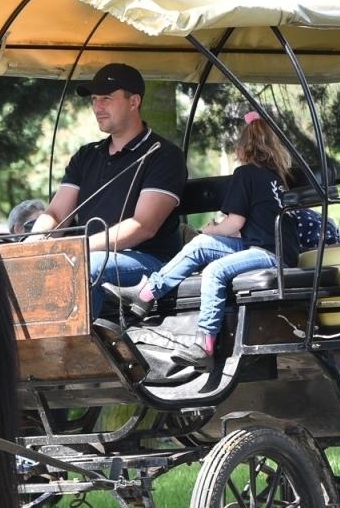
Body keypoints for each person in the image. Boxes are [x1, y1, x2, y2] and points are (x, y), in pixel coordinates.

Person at [102, 112, 298, 369]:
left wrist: (211, 229)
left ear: (241, 149)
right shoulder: (275, 177)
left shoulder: (246, 174)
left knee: (215, 269)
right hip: (271, 247)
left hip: (269, 253)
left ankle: (204, 344)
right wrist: (209, 236)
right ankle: (147, 293)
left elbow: (234, 224)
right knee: (199, 246)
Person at [26, 63, 187, 316]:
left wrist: (78, 248)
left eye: (107, 99)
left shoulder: (163, 155)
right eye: (94, 99)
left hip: (150, 262)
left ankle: (74, 353)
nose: (97, 107)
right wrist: (32, 245)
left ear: (134, 102)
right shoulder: (86, 155)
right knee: (23, 266)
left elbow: (144, 225)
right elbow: (56, 214)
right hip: (89, 255)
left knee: (86, 267)